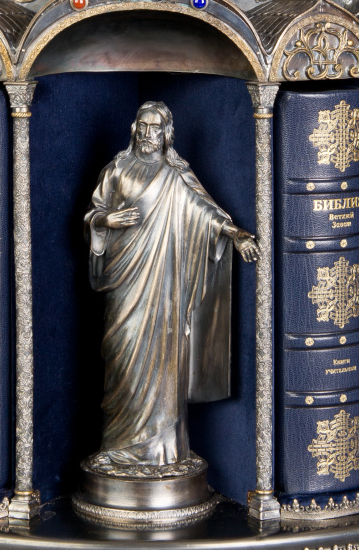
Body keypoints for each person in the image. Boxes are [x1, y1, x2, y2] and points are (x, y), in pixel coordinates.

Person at [84, 101, 258, 470]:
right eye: (143, 126)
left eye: (156, 128)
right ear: (135, 129)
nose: (148, 134)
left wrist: (236, 233)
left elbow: (204, 212)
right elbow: (93, 214)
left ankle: (162, 451)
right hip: (124, 283)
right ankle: (117, 447)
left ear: (167, 134)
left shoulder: (174, 175)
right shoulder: (117, 169)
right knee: (121, 354)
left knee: (161, 362)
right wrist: (106, 221)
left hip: (163, 288)